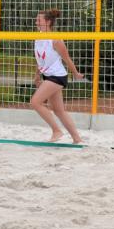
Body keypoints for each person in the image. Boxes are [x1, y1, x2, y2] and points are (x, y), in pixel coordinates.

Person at [31, 8, 85, 144]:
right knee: (59, 111)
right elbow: (40, 59)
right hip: (48, 76)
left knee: (35, 102)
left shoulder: (56, 39)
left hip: (57, 76)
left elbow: (67, 59)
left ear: (48, 22)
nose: (36, 22)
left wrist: (76, 73)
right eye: (36, 20)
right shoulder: (38, 37)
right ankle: (77, 139)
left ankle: (56, 131)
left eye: (39, 20)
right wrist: (37, 75)